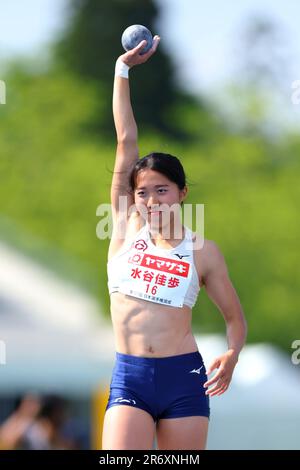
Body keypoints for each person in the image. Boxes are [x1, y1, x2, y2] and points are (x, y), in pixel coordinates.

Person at [102, 35, 247, 451]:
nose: (150, 200)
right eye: (143, 192)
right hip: (130, 375)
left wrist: (232, 354)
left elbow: (235, 320)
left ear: (182, 193)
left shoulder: (204, 251)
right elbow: (126, 140)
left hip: (184, 378)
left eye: (161, 190)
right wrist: (122, 70)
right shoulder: (126, 226)